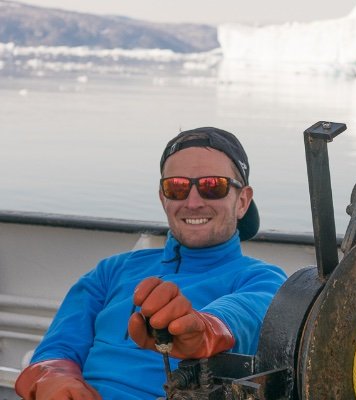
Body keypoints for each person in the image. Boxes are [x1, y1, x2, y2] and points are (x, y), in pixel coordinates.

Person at [15, 127, 287, 399]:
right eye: (177, 187)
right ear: (162, 198)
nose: (193, 202)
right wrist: (54, 374)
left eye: (213, 186)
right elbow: (59, 347)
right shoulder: (110, 272)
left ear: (242, 201)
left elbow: (244, 315)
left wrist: (205, 329)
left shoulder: (264, 280)